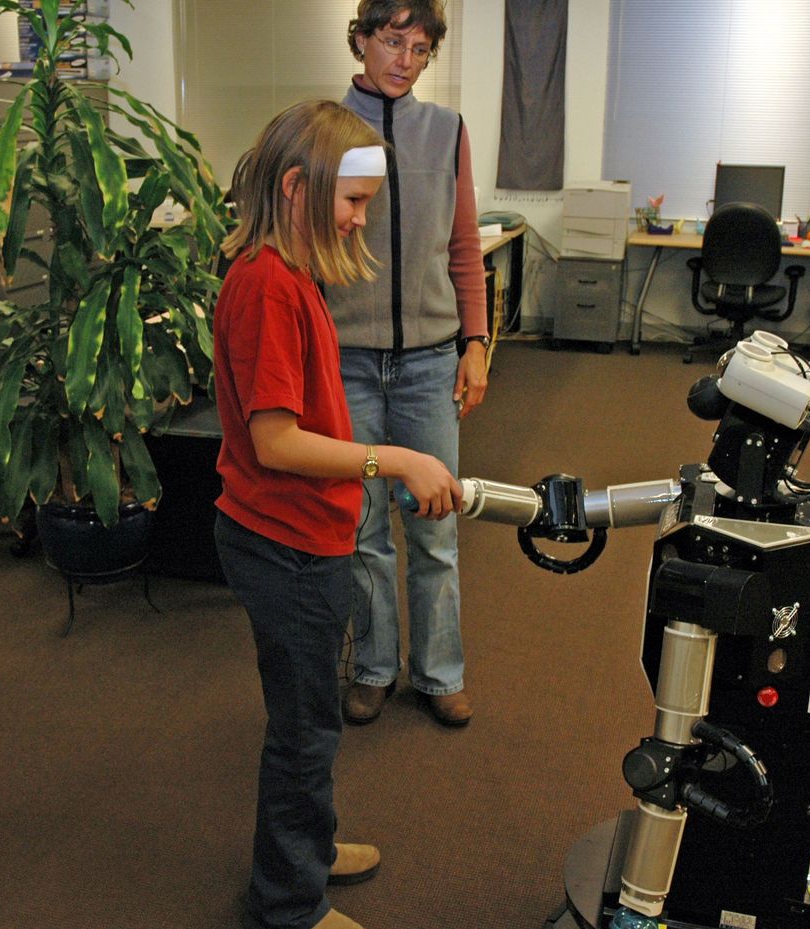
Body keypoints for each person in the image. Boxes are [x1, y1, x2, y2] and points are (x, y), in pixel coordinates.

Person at [211, 99, 463, 929]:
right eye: (353, 203)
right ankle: (288, 904)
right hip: (280, 544)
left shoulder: (292, 277)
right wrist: (392, 459)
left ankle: (306, 853)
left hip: (304, 540)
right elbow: (276, 441)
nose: (362, 222)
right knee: (305, 732)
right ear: (297, 188)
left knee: (314, 717)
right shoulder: (265, 288)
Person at [327, 0, 489, 729]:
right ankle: (373, 665)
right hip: (347, 363)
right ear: (361, 39)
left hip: (428, 362)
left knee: (435, 524)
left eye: (421, 48)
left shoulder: (445, 131)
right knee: (360, 527)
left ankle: (439, 670)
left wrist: (476, 342)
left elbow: (463, 251)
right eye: (393, 41)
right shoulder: (324, 131)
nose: (405, 59)